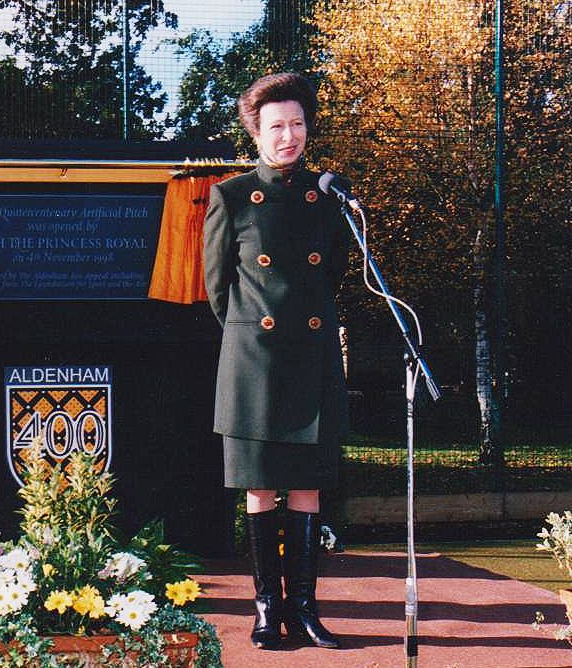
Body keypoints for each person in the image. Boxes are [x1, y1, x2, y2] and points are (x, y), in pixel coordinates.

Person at [203, 73, 350, 650]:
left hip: (310, 358)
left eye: (296, 124)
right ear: (255, 134)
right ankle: (266, 608)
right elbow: (219, 289)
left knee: (309, 487)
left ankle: (306, 607)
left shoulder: (329, 195)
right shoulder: (232, 196)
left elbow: (333, 273)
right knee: (262, 489)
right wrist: (255, 334)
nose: (287, 136)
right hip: (255, 361)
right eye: (275, 127)